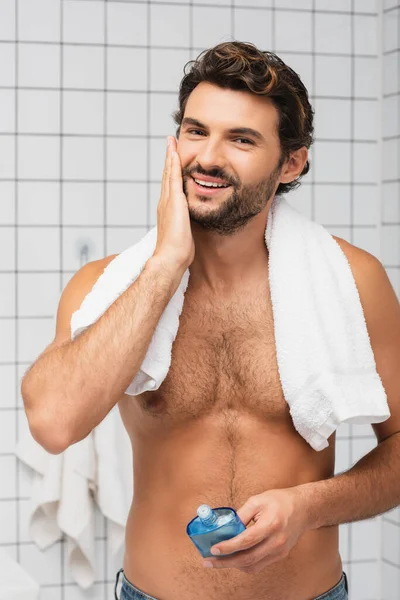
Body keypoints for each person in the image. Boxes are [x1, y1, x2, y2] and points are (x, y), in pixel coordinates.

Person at [21, 41, 400, 600]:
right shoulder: (109, 286)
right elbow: (53, 424)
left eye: (241, 139)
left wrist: (309, 507)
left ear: (291, 162)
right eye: (195, 131)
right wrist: (166, 265)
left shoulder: (352, 281)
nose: (208, 157)